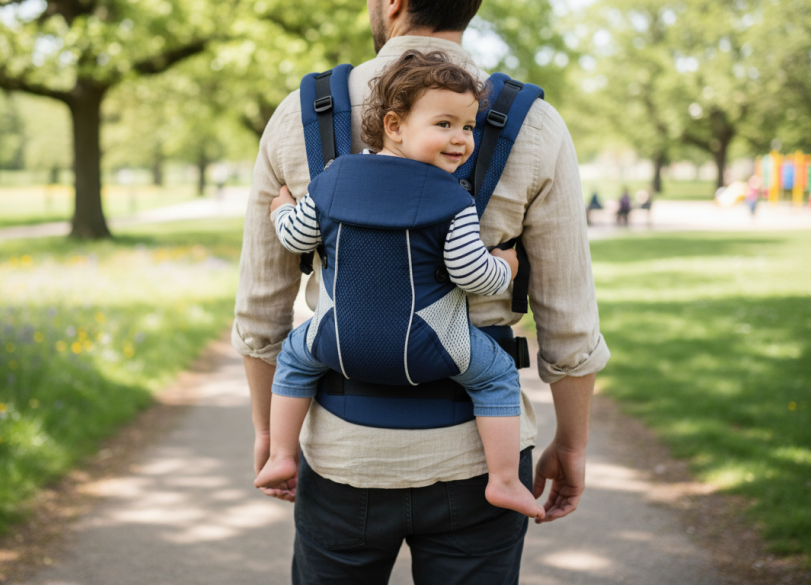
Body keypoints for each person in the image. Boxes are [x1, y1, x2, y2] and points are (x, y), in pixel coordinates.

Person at [233, 1, 609, 582]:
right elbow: (570, 319)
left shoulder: (301, 115)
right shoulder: (533, 123)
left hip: (341, 454)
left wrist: (269, 434)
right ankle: (509, 479)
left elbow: (261, 310)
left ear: (392, 3)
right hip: (476, 463)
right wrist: (574, 445)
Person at [255, 51, 544, 521]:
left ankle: (282, 455)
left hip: (336, 344)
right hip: (433, 347)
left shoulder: (331, 180)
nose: (461, 140)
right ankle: (505, 480)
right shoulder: (454, 200)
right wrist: (506, 265)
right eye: (445, 124)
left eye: (469, 127)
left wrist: (279, 209)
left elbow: (295, 236)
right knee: (495, 375)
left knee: (294, 357)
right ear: (394, 125)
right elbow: (474, 277)